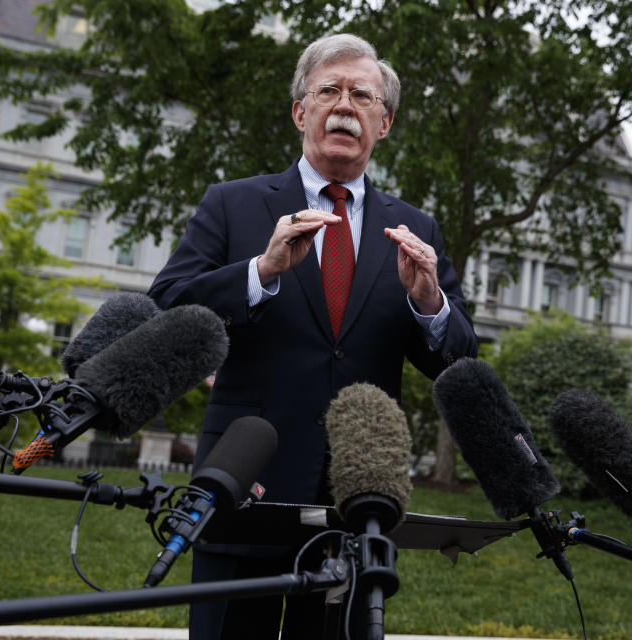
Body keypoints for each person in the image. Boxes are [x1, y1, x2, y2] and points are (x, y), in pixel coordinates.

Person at [148, 33, 478, 640]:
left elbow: (460, 361)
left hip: (355, 503)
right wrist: (260, 272)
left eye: (362, 95)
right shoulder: (232, 205)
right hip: (245, 485)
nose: (345, 105)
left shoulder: (415, 228)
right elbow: (166, 311)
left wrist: (428, 299)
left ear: (385, 123)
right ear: (301, 111)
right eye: (329, 90)